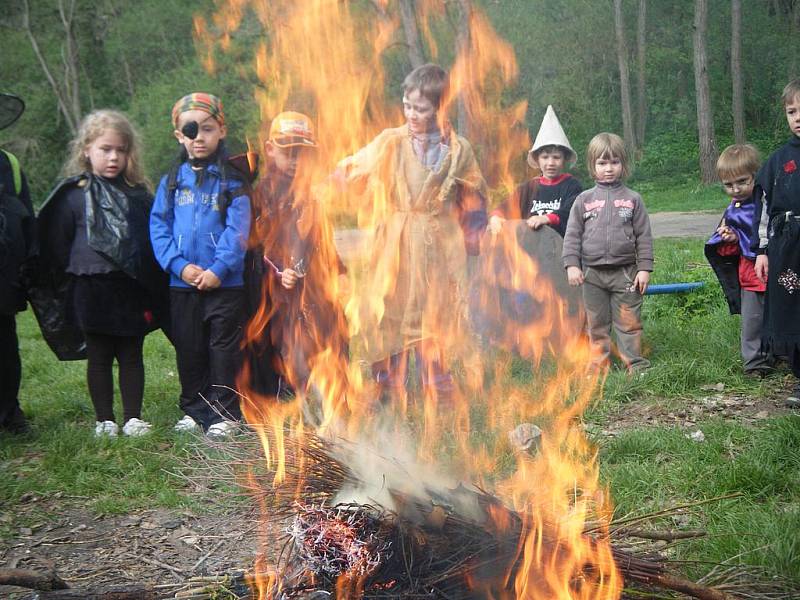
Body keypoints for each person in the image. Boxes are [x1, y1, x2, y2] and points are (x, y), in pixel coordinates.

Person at [336, 63, 487, 404]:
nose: (412, 114)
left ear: (439, 108)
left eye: (421, 108)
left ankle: (437, 383)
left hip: (438, 241)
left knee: (436, 311)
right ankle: (387, 384)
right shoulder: (391, 141)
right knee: (389, 309)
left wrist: (475, 231)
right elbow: (355, 165)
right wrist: (334, 178)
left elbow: (473, 194)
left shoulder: (458, 148)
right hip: (395, 240)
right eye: (407, 105)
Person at [36, 109, 165, 437]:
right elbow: (56, 244)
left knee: (131, 354)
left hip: (129, 289)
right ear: (86, 150)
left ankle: (133, 418)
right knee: (99, 355)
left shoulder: (137, 196)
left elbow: (147, 244)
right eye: (105, 149)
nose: (113, 157)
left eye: (120, 150)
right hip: (90, 288)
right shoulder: (72, 196)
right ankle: (104, 420)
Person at [150, 93, 251, 436]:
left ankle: (224, 414)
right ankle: (195, 410)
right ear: (179, 135)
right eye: (190, 131)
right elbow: (159, 227)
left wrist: (218, 270)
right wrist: (179, 266)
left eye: (207, 129)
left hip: (225, 284)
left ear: (221, 130)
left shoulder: (232, 181)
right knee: (190, 347)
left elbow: (238, 231)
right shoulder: (172, 182)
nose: (199, 137)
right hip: (183, 284)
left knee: (222, 349)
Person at [242, 111, 348, 408]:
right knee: (284, 337)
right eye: (288, 152)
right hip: (275, 286)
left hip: (311, 281)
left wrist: (338, 270)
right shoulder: (262, 194)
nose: (294, 160)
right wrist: (278, 271)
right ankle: (289, 390)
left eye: (302, 154)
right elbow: (257, 244)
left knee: (325, 330)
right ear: (270, 149)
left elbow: (321, 236)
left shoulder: (309, 193)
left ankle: (328, 387)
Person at [562, 132, 653, 373]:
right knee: (596, 324)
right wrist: (572, 265)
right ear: (592, 166)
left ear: (623, 164)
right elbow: (572, 235)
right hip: (591, 275)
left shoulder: (634, 199)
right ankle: (598, 364)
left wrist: (644, 269)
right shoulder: (583, 200)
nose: (609, 168)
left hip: (625, 274)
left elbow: (644, 236)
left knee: (629, 322)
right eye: (602, 163)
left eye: (614, 162)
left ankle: (636, 364)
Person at [752, 79, 800, 406]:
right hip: (787, 249)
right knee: (792, 308)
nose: (797, 116)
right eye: (792, 111)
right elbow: (764, 210)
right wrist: (762, 251)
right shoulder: (777, 161)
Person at [705, 144, 772, 377]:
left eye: (742, 181)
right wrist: (730, 238)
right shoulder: (732, 210)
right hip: (750, 275)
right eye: (728, 185)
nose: (735, 189)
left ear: (756, 174)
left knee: (778, 314)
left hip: (774, 269)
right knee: (752, 320)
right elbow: (727, 251)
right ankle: (755, 363)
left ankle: (780, 353)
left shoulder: (768, 202)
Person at [488, 105, 582, 237]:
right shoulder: (528, 188)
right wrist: (496, 217)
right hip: (530, 252)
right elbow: (507, 207)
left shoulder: (572, 186)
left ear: (564, 158)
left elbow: (572, 211)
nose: (550, 163)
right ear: (537, 159)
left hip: (561, 250)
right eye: (545, 157)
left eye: (556, 157)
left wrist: (547, 218)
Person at [0, 93, 36, 434]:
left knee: (6, 347)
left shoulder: (9, 164)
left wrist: (29, 265)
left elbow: (27, 217)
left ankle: (9, 411)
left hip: (5, 275)